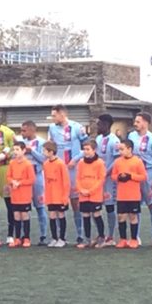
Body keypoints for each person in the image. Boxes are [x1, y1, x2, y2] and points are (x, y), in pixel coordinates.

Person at [48, 104, 88, 244]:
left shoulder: (77, 127)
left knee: (76, 202)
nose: (53, 118)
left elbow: (87, 147)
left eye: (54, 115)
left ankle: (80, 234)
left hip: (73, 169)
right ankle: (58, 236)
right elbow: (50, 147)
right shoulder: (52, 129)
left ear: (62, 114)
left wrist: (75, 159)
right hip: (59, 170)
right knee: (57, 202)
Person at [127, 112, 152, 247]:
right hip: (135, 175)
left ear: (145, 123)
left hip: (149, 173)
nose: (135, 124)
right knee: (135, 206)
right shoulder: (131, 136)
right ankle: (136, 236)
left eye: (138, 121)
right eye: (135, 121)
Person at [111, 139, 148, 249]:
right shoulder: (118, 162)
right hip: (121, 195)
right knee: (121, 216)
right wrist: (119, 177)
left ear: (129, 149)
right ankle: (122, 239)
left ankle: (133, 239)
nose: (120, 152)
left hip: (133, 195)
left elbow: (143, 176)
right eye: (119, 150)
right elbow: (113, 176)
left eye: (122, 149)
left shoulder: (137, 161)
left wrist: (130, 176)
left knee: (133, 216)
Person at [92, 114, 121, 248]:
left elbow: (116, 160)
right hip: (98, 179)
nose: (97, 126)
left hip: (109, 179)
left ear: (107, 125)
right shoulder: (98, 139)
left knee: (110, 206)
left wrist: (105, 173)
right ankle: (100, 234)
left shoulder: (114, 141)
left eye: (99, 124)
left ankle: (111, 236)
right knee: (95, 206)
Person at [18, 121, 49, 244]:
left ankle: (44, 236)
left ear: (32, 130)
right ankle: (23, 236)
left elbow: (44, 160)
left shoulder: (41, 143)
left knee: (40, 207)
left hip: (37, 178)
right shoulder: (20, 143)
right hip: (23, 181)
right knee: (22, 208)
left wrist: (32, 151)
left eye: (24, 130)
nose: (22, 133)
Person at [75, 140, 106, 249]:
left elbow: (101, 179)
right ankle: (87, 239)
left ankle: (102, 238)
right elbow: (78, 178)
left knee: (96, 214)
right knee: (85, 215)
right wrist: (81, 189)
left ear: (94, 150)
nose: (86, 152)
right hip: (83, 194)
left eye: (88, 149)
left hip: (95, 194)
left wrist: (90, 190)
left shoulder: (99, 163)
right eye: (84, 149)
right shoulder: (81, 163)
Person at [42, 141, 71, 248]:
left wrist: (65, 196)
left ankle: (62, 238)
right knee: (52, 215)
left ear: (51, 151)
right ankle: (54, 238)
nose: (43, 153)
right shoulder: (45, 164)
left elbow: (66, 181)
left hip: (60, 195)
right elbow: (46, 180)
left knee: (61, 215)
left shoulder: (60, 164)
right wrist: (45, 194)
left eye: (45, 150)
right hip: (50, 195)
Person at [6, 142, 36, 247]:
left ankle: (26, 238)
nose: (15, 152)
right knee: (16, 215)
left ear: (23, 151)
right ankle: (17, 237)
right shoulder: (12, 163)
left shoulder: (28, 164)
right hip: (15, 194)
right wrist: (12, 182)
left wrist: (20, 183)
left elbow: (32, 179)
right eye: (14, 149)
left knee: (24, 215)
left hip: (25, 194)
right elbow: (8, 176)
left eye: (18, 149)